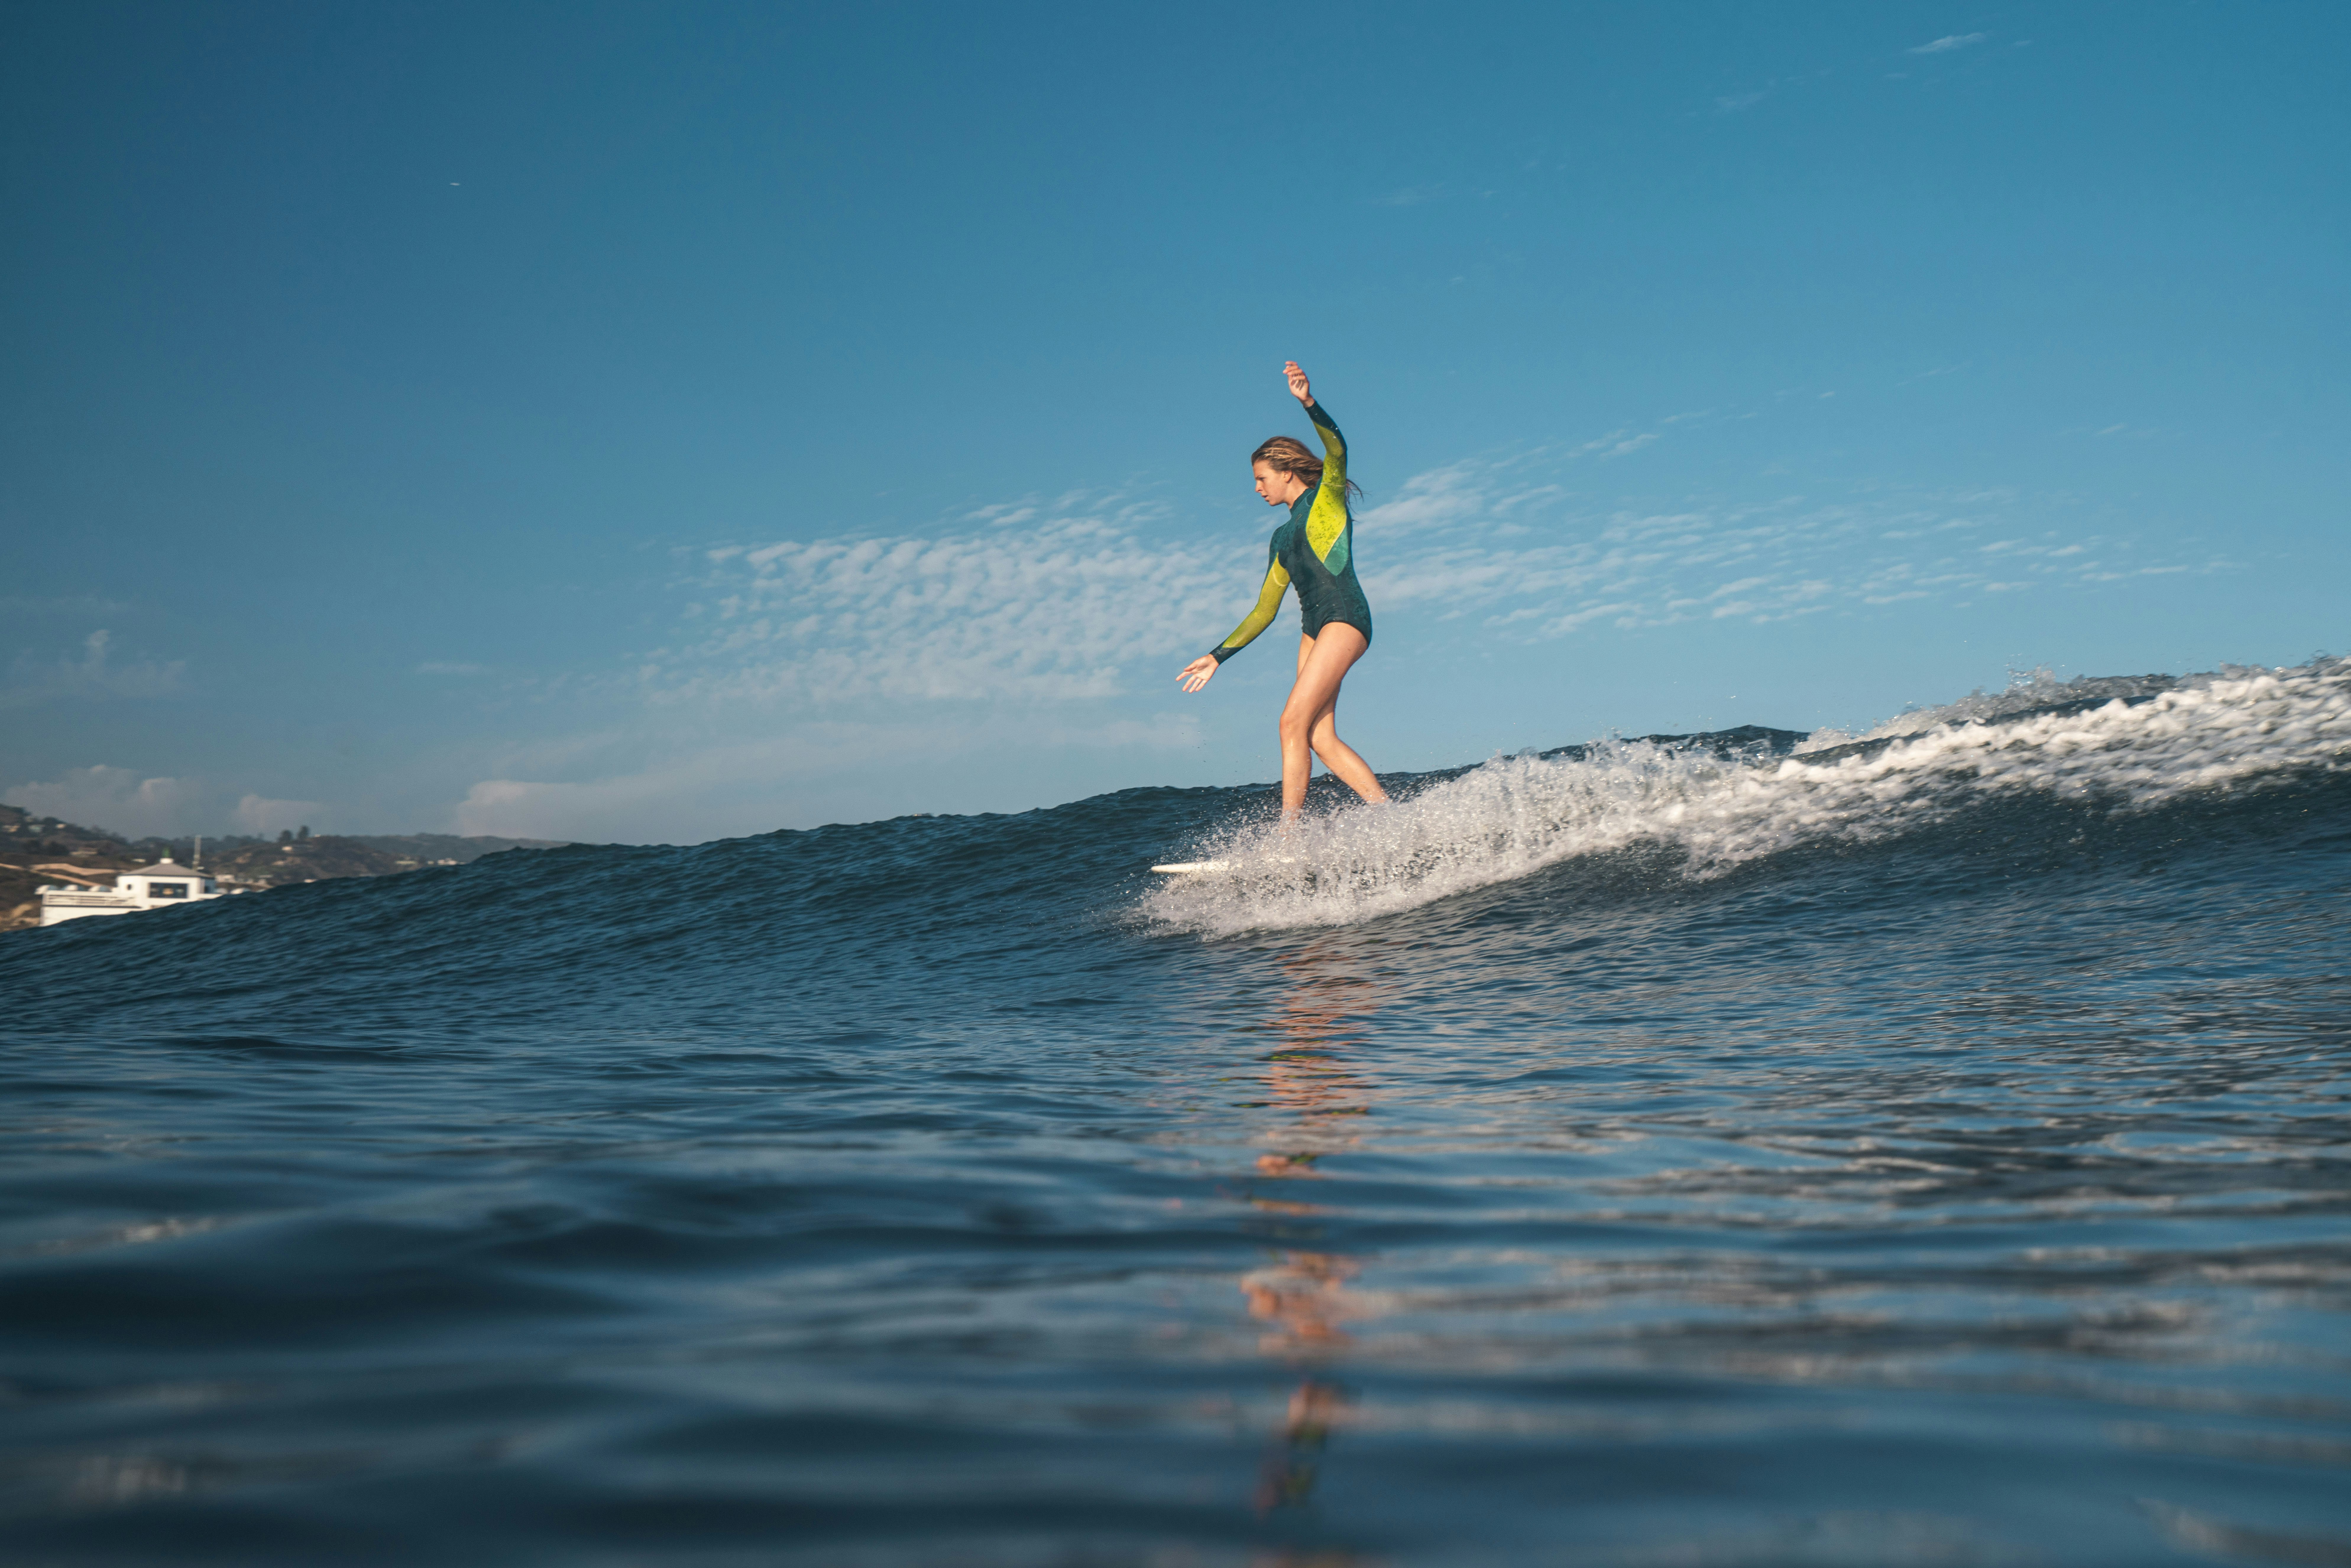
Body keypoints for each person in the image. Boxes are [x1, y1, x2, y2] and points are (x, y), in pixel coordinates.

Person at [1179, 362, 1388, 819]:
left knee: (1290, 722)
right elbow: (1263, 611)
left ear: (1288, 472)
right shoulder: (1280, 539)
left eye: (1262, 478)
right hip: (1313, 627)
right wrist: (1218, 655)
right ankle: (1389, 815)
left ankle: (1289, 840)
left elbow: (1337, 449)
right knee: (1318, 736)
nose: (1257, 488)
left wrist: (1308, 403)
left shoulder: (1326, 500)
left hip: (1345, 617)